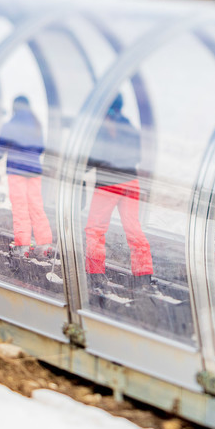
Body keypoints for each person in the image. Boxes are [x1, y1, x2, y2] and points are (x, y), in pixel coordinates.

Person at [84, 93, 154, 285]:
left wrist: (81, 169)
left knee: (95, 230)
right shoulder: (129, 126)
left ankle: (95, 276)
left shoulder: (102, 128)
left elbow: (94, 156)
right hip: (131, 182)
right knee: (133, 229)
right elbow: (138, 156)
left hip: (108, 183)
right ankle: (144, 277)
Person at [0, 94, 52, 256]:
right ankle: (45, 245)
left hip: (17, 171)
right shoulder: (36, 124)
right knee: (36, 206)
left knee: (20, 208)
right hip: (34, 170)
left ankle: (23, 246)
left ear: (14, 108)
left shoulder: (10, 125)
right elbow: (41, 148)